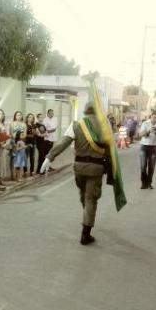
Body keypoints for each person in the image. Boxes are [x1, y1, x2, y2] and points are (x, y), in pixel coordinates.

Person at [40, 102, 112, 245]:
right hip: (96, 168)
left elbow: (63, 143)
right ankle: (86, 234)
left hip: (79, 168)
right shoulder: (105, 126)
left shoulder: (76, 124)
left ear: (85, 111)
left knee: (84, 196)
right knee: (91, 199)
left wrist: (49, 157)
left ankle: (87, 215)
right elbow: (111, 149)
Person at [138, 110, 156, 189]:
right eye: (153, 117)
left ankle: (149, 183)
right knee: (143, 166)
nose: (155, 119)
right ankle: (143, 183)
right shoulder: (145, 123)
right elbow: (140, 134)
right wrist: (148, 131)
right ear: (151, 116)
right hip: (144, 146)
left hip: (154, 147)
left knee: (151, 167)